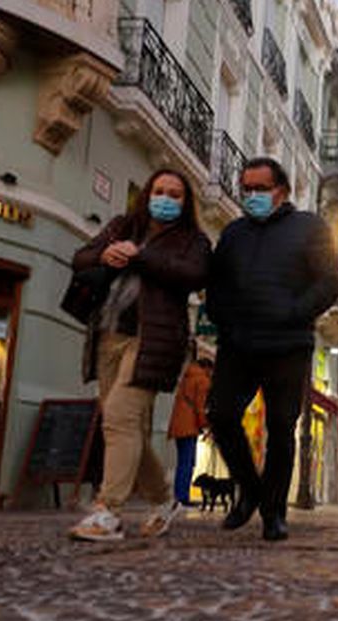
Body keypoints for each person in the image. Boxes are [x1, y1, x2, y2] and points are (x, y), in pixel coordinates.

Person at [67, 168, 210, 542]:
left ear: (185, 201)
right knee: (127, 427)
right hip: (108, 334)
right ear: (147, 194)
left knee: (118, 417)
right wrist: (106, 253)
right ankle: (165, 500)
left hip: (154, 340)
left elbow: (194, 275)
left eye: (175, 194)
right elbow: (81, 257)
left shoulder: (192, 240)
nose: (165, 198)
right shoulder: (122, 224)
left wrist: (140, 257)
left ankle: (107, 511)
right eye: (159, 191)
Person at [205, 157, 338, 541]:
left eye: (259, 189)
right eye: (246, 188)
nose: (251, 195)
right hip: (238, 342)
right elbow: (217, 283)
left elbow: (329, 282)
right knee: (221, 414)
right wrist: (222, 316)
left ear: (281, 191)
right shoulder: (233, 233)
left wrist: (294, 312)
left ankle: (273, 512)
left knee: (282, 429)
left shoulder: (309, 227)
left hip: (288, 344)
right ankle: (249, 489)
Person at [168, 353, 213, 507]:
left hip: (178, 425)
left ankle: (178, 495)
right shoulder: (202, 381)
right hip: (190, 426)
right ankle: (182, 496)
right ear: (207, 368)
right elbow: (200, 408)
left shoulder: (187, 377)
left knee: (183, 462)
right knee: (188, 463)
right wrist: (206, 425)